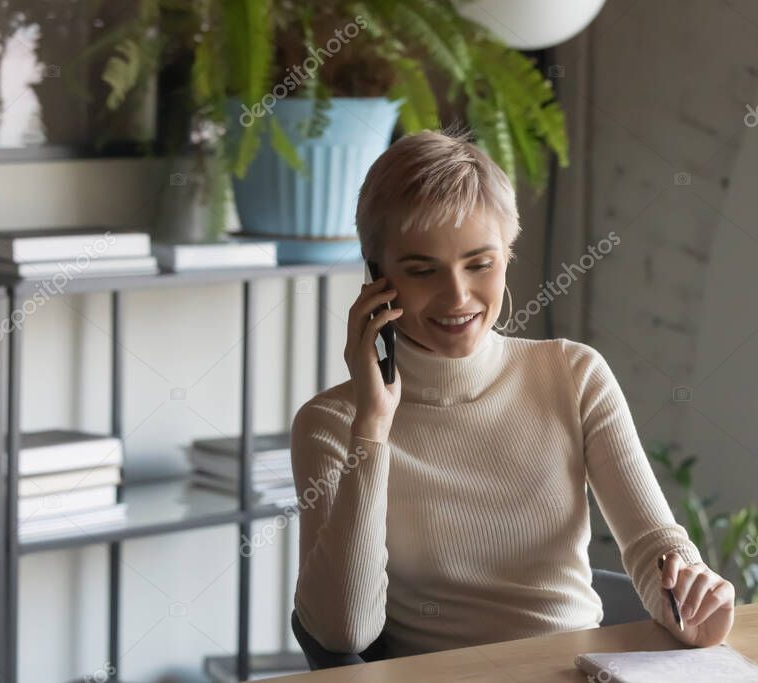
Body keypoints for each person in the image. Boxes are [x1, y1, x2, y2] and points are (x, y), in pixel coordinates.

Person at [290, 129, 735, 664]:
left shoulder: (573, 375)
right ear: (376, 275)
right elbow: (344, 634)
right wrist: (373, 426)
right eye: (422, 270)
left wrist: (690, 588)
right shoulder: (331, 423)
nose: (458, 296)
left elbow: (650, 545)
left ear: (508, 254)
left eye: (480, 264)